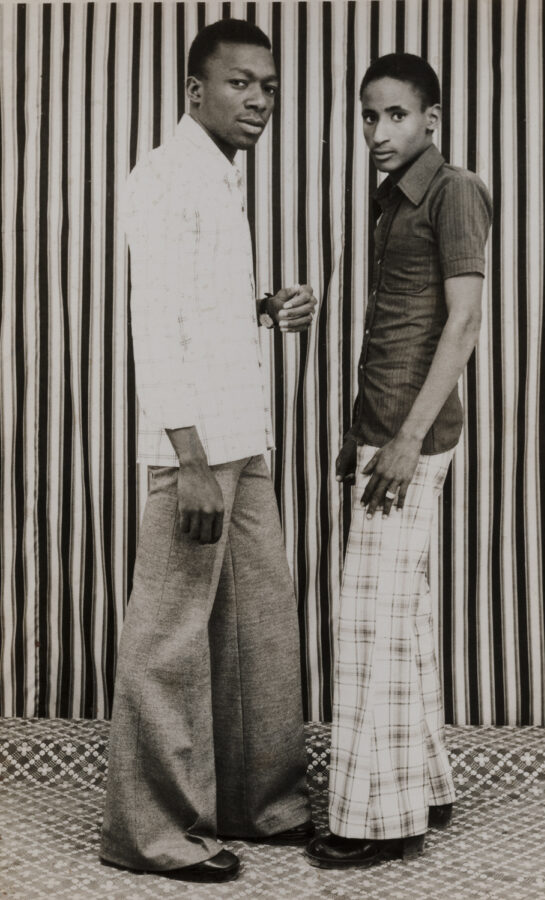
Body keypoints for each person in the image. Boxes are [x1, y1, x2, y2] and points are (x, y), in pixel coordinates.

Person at [100, 19, 317, 884]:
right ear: (196, 91)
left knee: (258, 626)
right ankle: (148, 834)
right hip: (194, 445)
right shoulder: (163, 176)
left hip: (242, 434)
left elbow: (198, 306)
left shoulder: (221, 176)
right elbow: (155, 327)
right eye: (240, 83)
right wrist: (186, 458)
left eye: (267, 84)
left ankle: (260, 804)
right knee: (169, 638)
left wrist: (267, 307)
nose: (259, 98)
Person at [306, 53, 492, 869]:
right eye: (368, 117)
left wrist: (408, 442)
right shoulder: (391, 200)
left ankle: (379, 821)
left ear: (432, 121)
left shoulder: (456, 190)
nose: (379, 132)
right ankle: (426, 786)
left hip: (412, 440)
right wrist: (361, 437)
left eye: (395, 116)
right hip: (383, 433)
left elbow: (463, 324)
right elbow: (388, 333)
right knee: (403, 621)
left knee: (368, 625)